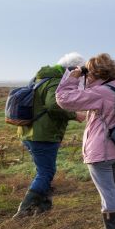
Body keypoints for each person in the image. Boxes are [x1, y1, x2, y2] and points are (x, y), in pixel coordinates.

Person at [52, 53, 115, 229]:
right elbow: (86, 93)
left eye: (88, 73)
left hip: (101, 151)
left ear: (96, 74)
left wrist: (71, 79)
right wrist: (83, 77)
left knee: (108, 192)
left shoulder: (100, 93)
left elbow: (64, 99)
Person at [12, 52, 84, 218]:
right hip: (42, 135)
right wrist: (75, 115)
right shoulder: (56, 81)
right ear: (71, 68)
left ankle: (43, 206)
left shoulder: (40, 78)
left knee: (44, 170)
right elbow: (53, 105)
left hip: (29, 132)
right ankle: (24, 210)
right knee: (46, 172)